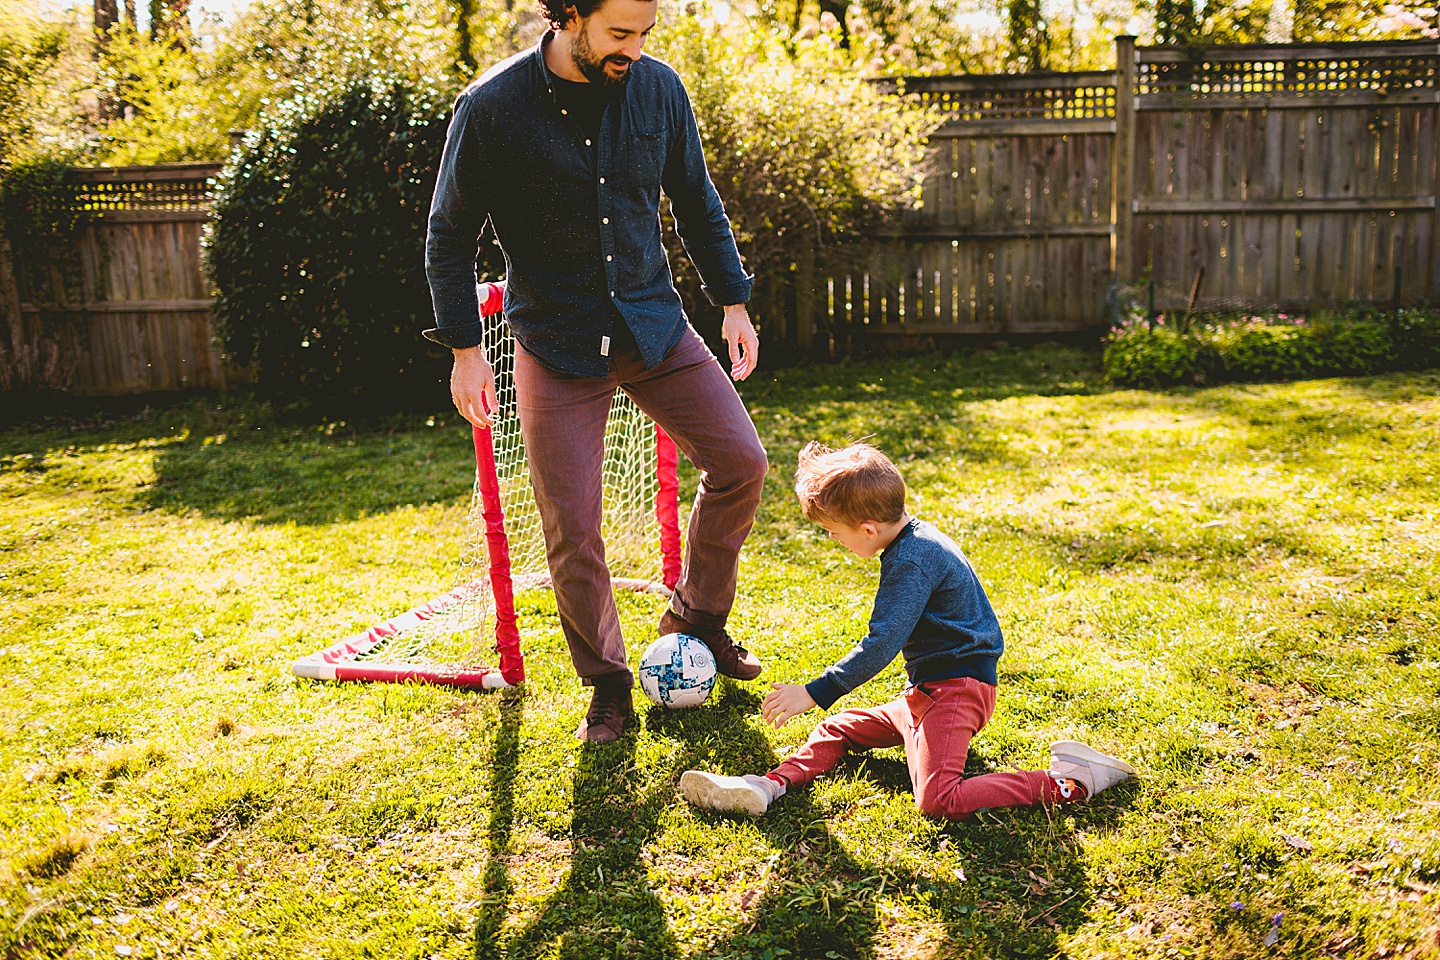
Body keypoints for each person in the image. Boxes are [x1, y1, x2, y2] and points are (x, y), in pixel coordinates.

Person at [424, 0, 769, 744]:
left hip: (653, 323)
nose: (636, 49)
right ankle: (609, 683)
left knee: (741, 462)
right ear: (569, 15)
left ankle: (697, 622)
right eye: (620, 33)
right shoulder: (491, 107)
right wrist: (464, 348)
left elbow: (695, 198)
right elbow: (449, 234)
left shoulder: (659, 89)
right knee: (573, 524)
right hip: (556, 340)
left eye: (647, 32)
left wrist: (733, 300)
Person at [679, 441, 1136, 818]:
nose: (834, 540)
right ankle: (769, 785)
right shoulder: (915, 538)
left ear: (868, 527)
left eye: (834, 532)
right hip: (926, 693)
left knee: (939, 800)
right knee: (839, 729)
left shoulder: (910, 563)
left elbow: (882, 644)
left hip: (955, 692)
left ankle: (1068, 780)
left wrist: (815, 691)